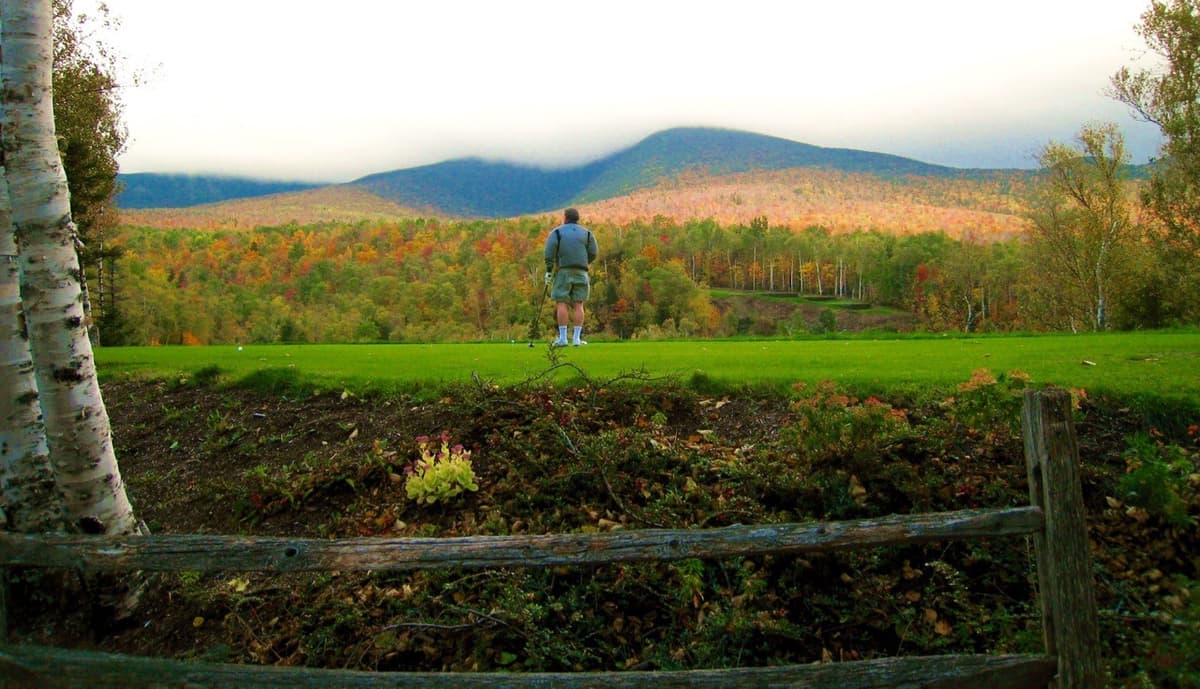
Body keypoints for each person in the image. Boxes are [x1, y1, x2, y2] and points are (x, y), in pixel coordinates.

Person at [543, 207, 598, 347]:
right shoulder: (587, 233)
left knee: (561, 302)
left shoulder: (557, 232)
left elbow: (549, 253)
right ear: (577, 218)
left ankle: (563, 338)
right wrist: (584, 262)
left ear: (565, 218)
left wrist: (549, 270)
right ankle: (576, 339)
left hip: (563, 271)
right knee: (579, 304)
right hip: (582, 271)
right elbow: (593, 252)